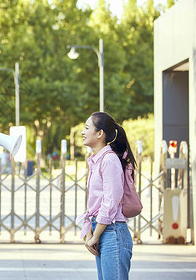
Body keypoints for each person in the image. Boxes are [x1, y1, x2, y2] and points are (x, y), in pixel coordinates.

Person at [76, 112, 135, 280]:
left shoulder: (109, 161)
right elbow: (94, 203)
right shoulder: (96, 160)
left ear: (100, 133)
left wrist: (95, 235)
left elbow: (110, 202)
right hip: (103, 230)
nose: (82, 132)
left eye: (87, 128)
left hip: (113, 232)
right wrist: (90, 232)